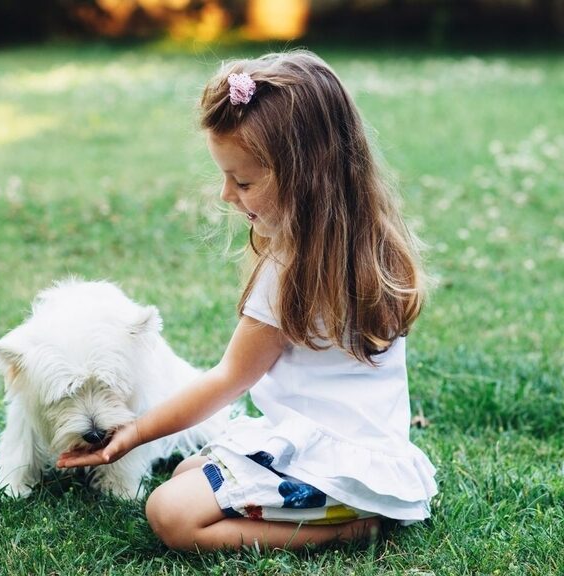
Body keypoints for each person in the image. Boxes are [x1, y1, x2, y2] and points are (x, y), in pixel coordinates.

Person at [57, 50, 437, 552]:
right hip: (370, 459)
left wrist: (134, 433)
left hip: (325, 466)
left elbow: (227, 379)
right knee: (193, 468)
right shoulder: (376, 244)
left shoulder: (289, 274)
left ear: (305, 175)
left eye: (243, 181)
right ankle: (350, 509)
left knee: (169, 512)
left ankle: (349, 527)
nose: (225, 195)